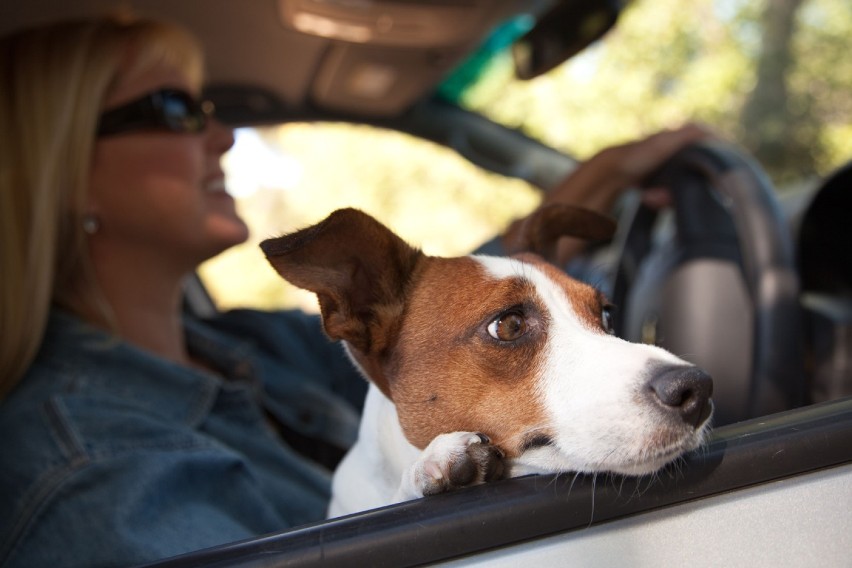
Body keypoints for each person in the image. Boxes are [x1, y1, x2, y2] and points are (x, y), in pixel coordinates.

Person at [0, 14, 708, 568]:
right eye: (177, 111)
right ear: (61, 168)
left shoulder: (247, 347)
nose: (222, 136)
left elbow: (466, 297)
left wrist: (611, 169)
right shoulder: (85, 472)